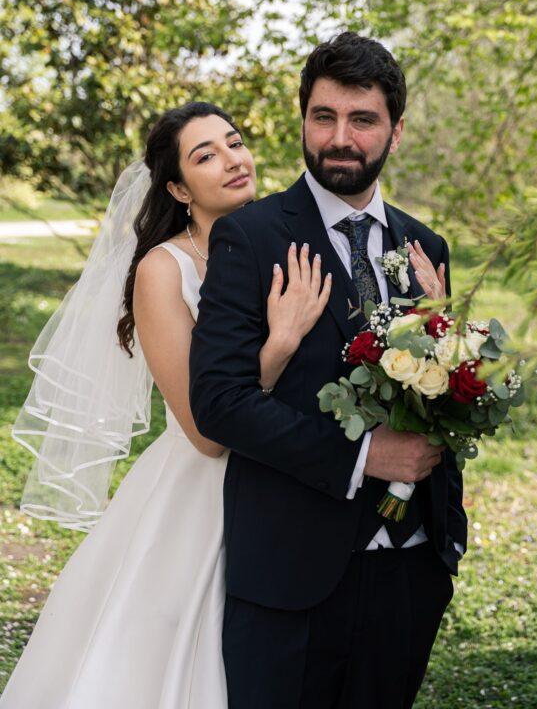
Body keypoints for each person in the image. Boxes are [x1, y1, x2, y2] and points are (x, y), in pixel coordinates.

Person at [0, 101, 332, 708]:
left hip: (289, 475)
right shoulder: (163, 269)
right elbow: (207, 431)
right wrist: (280, 344)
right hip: (202, 491)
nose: (232, 160)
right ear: (178, 187)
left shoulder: (283, 241)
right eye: (206, 156)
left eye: (234, 142)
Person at [190, 32, 468, 709]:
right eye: (324, 117)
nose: (339, 137)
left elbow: (444, 390)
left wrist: (453, 342)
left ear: (394, 133)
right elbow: (219, 401)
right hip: (292, 573)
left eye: (362, 119)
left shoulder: (423, 245)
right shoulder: (251, 237)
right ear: (304, 120)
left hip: (411, 564)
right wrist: (366, 455)